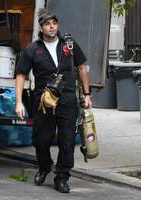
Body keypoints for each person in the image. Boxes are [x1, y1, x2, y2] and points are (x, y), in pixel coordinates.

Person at [15, 10, 92, 193]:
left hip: (67, 99)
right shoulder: (33, 49)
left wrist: (87, 94)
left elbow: (81, 68)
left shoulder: (69, 45)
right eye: (47, 24)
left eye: (54, 23)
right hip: (43, 101)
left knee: (67, 140)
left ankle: (62, 177)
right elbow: (21, 75)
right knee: (41, 139)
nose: (52, 26)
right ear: (41, 28)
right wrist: (18, 102)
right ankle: (44, 166)